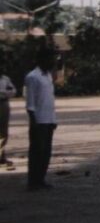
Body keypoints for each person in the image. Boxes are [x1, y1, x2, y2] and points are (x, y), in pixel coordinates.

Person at [25, 47, 58, 191]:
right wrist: (34, 122)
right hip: (39, 121)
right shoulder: (33, 77)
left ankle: (41, 179)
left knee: (46, 152)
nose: (52, 62)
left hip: (49, 119)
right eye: (50, 58)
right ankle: (33, 181)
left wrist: (53, 120)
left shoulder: (48, 76)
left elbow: (49, 100)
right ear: (41, 60)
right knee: (37, 151)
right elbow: (30, 103)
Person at [0, 66, 15, 170]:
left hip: (3, 104)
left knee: (3, 132)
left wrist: (5, 93)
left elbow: (13, 90)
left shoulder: (5, 79)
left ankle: (1, 156)